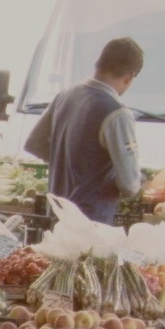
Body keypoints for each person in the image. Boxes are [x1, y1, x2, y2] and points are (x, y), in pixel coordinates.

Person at [28, 37, 146, 225]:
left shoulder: (64, 95)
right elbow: (129, 185)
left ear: (99, 64)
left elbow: (34, 144)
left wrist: (69, 164)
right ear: (129, 77)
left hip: (56, 217)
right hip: (90, 225)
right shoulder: (117, 113)